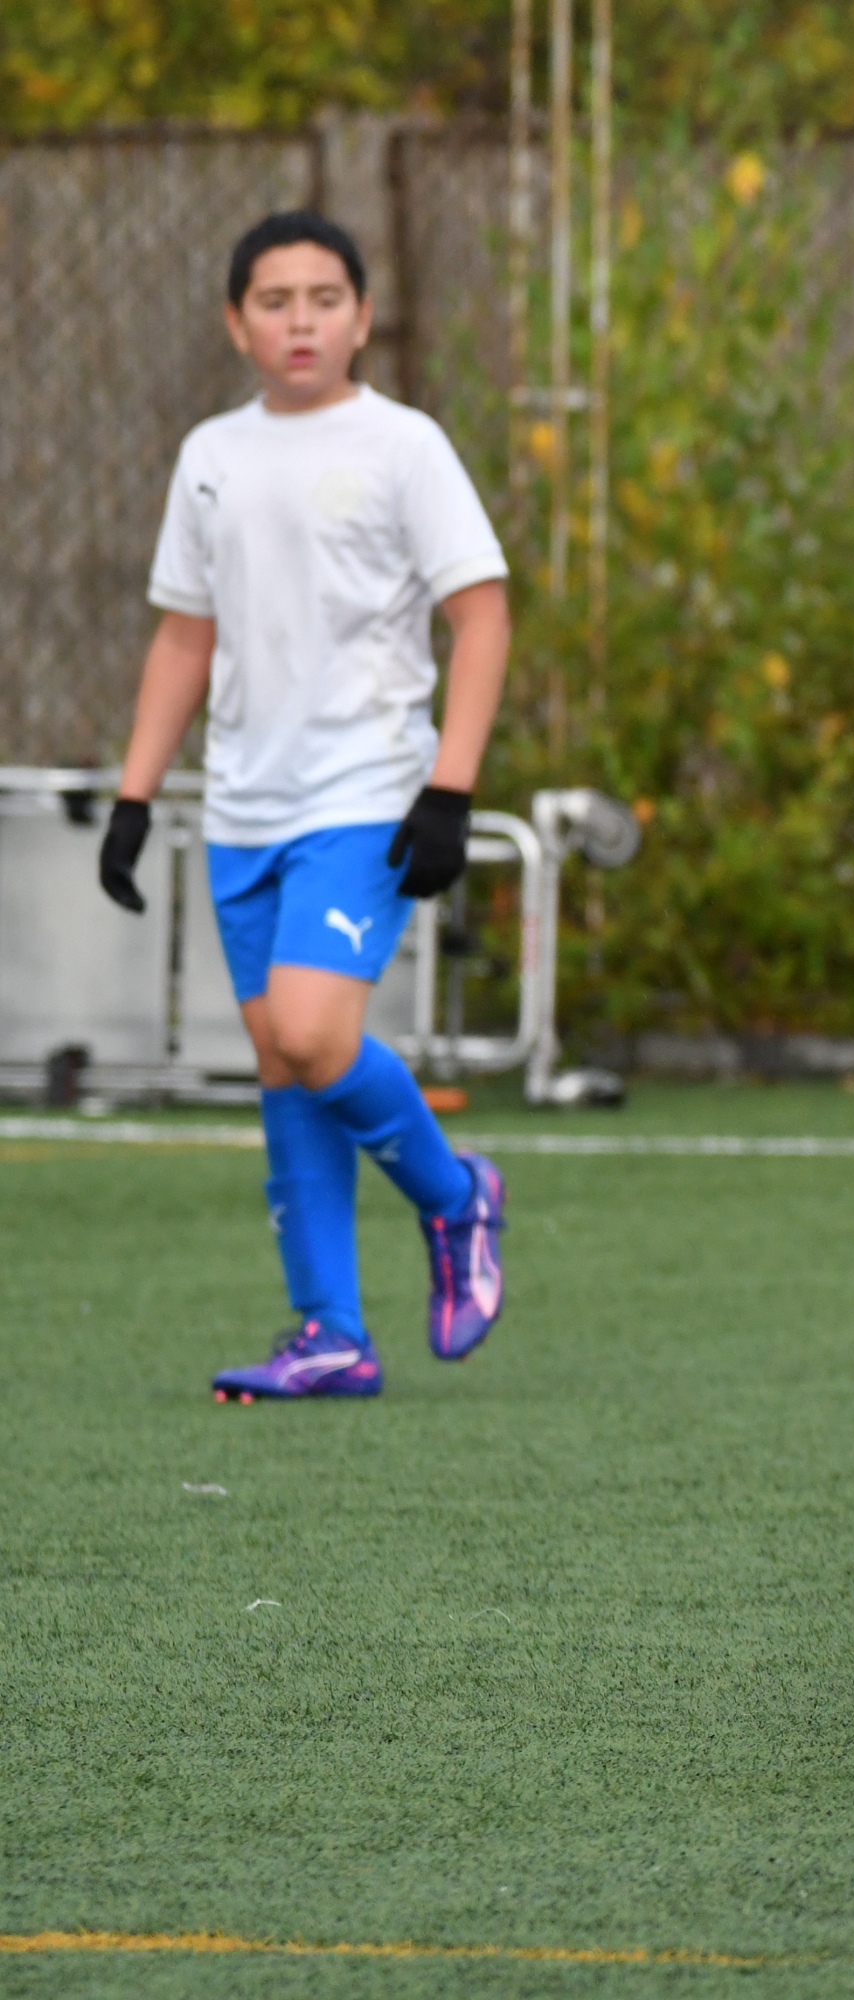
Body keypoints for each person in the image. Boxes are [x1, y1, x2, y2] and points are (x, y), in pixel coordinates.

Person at [96, 211, 510, 1401]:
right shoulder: (211, 455)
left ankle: (456, 1195)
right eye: (273, 301)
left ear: (364, 317)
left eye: (325, 298)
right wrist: (135, 792)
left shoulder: (404, 446)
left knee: (319, 1030)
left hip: (366, 791)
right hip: (243, 804)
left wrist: (451, 788)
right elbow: (186, 632)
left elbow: (480, 614)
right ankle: (330, 1330)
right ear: (236, 323)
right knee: (283, 1057)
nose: (300, 321)